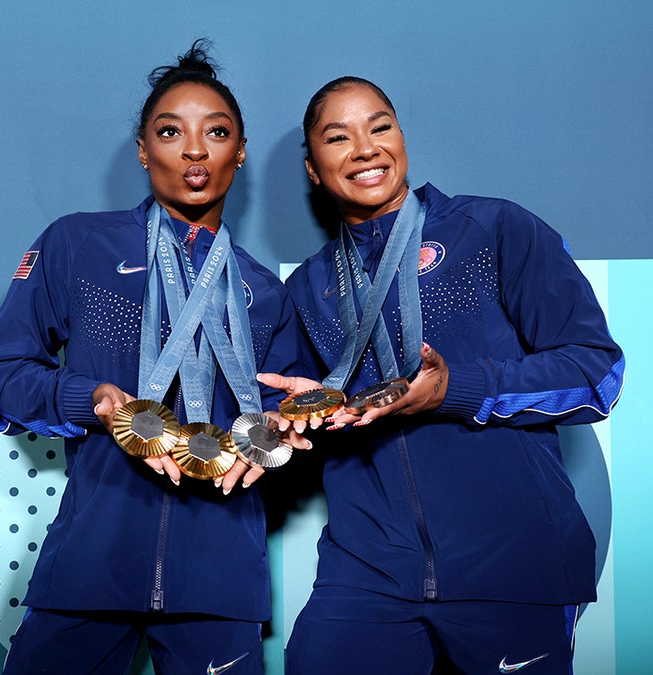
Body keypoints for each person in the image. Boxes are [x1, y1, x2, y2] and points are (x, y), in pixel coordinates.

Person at [259, 76, 625, 674]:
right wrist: (293, 420)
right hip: (368, 572)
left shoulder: (493, 229)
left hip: (512, 565)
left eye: (380, 126)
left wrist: (455, 389)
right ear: (312, 168)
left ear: (401, 137)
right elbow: (310, 416)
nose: (366, 147)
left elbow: (596, 373)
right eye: (338, 137)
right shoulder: (308, 288)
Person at [0, 40, 311, 674]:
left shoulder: (263, 290)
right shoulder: (79, 244)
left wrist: (281, 431)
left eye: (216, 132)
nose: (193, 150)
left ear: (239, 153)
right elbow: (2, 376)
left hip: (220, 585)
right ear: (142, 148)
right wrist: (92, 400)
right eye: (169, 130)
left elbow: (272, 421)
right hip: (88, 570)